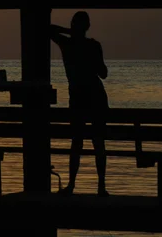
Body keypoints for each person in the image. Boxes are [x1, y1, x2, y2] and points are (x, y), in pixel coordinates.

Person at [50, 11, 109, 197]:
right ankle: (100, 187)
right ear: (88, 27)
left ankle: (73, 186)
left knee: (78, 143)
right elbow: (104, 73)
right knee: (96, 143)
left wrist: (70, 32)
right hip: (94, 97)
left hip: (80, 98)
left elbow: (48, 29)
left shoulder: (67, 43)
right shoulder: (93, 45)